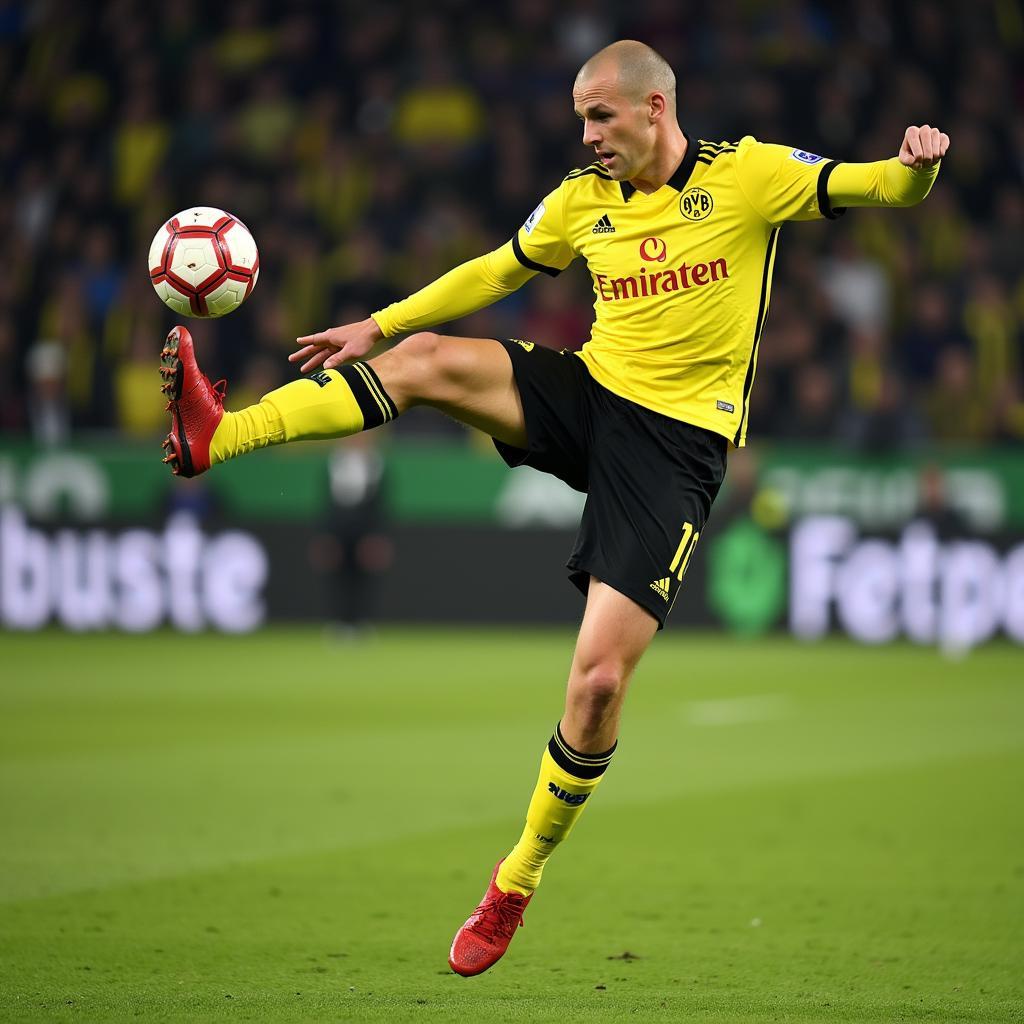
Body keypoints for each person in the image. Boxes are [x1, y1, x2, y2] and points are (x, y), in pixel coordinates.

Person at [158, 40, 949, 977]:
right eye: (581, 117)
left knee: (598, 685)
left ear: (656, 107)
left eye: (601, 116)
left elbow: (878, 191)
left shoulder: (750, 178)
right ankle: (221, 434)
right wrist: (382, 323)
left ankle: (515, 881)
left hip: (677, 451)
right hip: (592, 396)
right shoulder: (582, 199)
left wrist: (916, 170)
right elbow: (497, 271)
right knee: (421, 362)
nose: (587, 134)